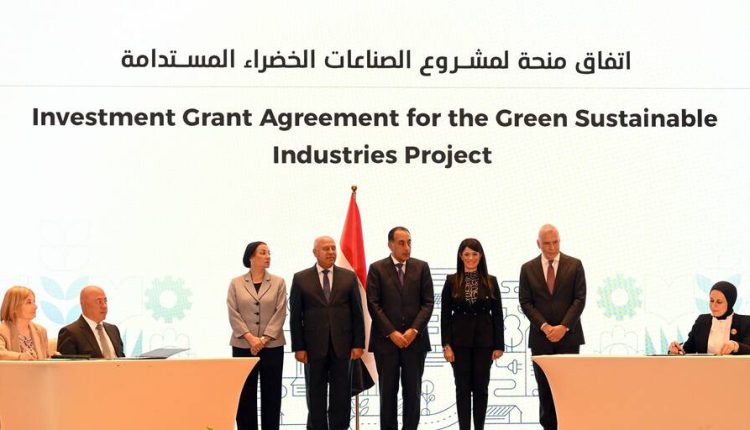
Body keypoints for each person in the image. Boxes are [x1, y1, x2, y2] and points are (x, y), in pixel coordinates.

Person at [289, 236, 365, 430]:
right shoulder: (301, 279)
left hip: (343, 347)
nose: (331, 252)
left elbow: (357, 313)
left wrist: (358, 343)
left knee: (342, 394)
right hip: (313, 348)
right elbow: (295, 317)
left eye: (333, 248)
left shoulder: (349, 277)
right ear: (315, 252)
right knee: (315, 393)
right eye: (326, 249)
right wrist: (298, 347)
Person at [519, 224, 586, 430]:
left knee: (567, 389)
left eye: (555, 242)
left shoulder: (574, 265)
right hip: (541, 339)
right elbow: (525, 302)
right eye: (547, 243)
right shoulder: (527, 268)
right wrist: (545, 327)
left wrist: (563, 327)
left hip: (569, 338)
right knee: (545, 390)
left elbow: (579, 299)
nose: (552, 247)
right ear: (538, 244)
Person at [367, 226, 434, 430]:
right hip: (386, 343)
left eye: (409, 242)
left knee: (413, 393)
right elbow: (373, 304)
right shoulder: (377, 268)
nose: (407, 247)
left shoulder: (421, 267)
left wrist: (414, 330)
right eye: (401, 243)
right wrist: (391, 332)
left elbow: (428, 303)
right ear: (390, 245)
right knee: (388, 394)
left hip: (415, 342)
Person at [441, 238, 504, 430]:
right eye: (466, 254)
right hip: (458, 343)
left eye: (474, 254)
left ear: (480, 256)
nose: (470, 258)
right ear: (460, 256)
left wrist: (499, 345)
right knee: (462, 389)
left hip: (485, 343)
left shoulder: (491, 281)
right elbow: (445, 315)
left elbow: (498, 315)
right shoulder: (451, 281)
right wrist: (446, 345)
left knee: (481, 389)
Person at [227, 241, 287, 430]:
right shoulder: (236, 283)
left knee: (272, 394)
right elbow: (233, 312)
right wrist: (251, 338)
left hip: (272, 346)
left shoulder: (278, 282)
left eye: (269, 252)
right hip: (243, 346)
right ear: (251, 257)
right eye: (262, 253)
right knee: (245, 395)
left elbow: (280, 312)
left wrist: (264, 339)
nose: (268, 256)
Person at [669, 281, 750, 355]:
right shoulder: (702, 321)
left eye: (719, 302)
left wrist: (736, 346)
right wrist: (677, 350)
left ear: (730, 302)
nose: (713, 305)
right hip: (704, 366)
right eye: (711, 300)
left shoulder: (745, 322)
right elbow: (688, 349)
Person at [57, 285, 125, 358]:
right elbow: (68, 364)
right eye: (99, 302)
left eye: (105, 301)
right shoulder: (69, 333)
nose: (104, 306)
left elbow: (122, 359)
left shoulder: (113, 329)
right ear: (84, 304)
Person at [0, 286, 51, 360]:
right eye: (29, 302)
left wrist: (54, 358)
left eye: (34, 302)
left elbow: (45, 358)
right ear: (14, 306)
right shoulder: (2, 330)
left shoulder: (41, 331)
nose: (35, 307)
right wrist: (20, 356)